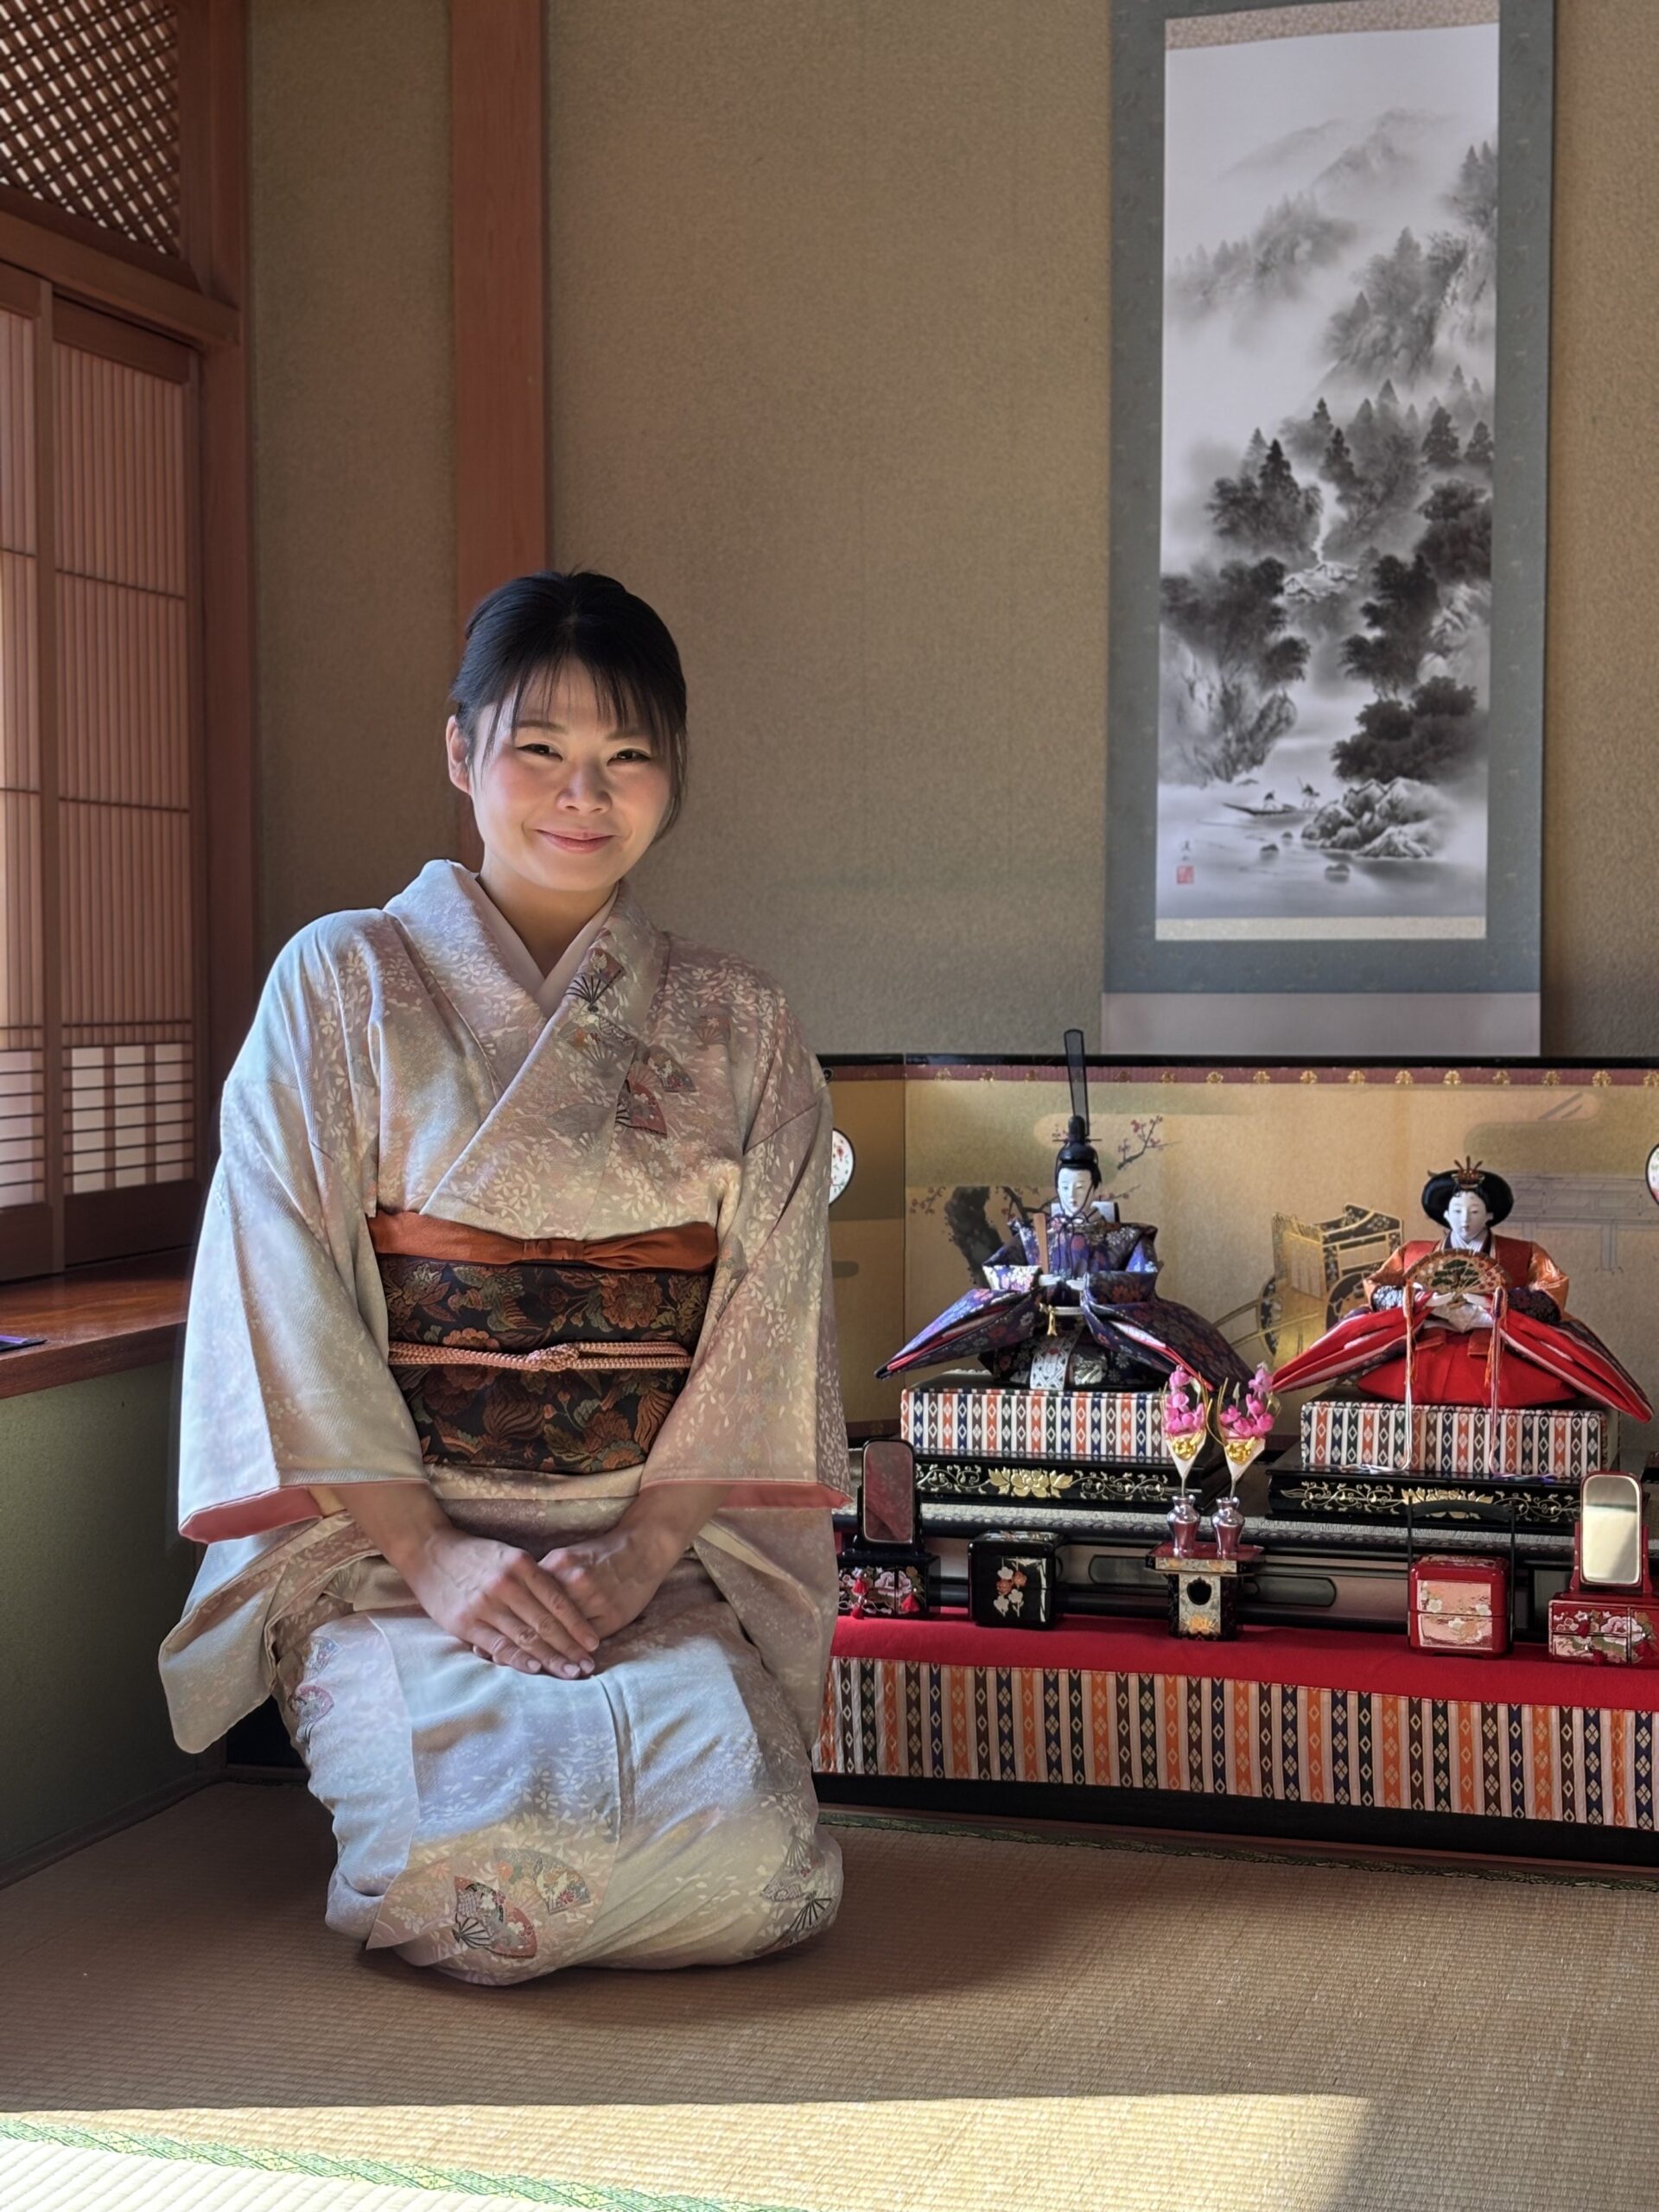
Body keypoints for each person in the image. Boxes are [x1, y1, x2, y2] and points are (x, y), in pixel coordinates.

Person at [159, 571, 849, 1983]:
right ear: (461, 751)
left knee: (768, 1877)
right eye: (540, 748)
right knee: (479, 1885)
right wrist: (436, 1552)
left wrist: (644, 1554)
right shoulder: (338, 983)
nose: (581, 793)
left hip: (645, 1559)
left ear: (670, 777)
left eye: (627, 756)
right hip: (391, 1556)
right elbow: (279, 1285)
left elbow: (767, 1323)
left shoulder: (741, 1022)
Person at [1270, 1160, 1651, 1419]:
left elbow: (1552, 1292)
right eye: (1456, 1211)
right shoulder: (1415, 1253)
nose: (1464, 1219)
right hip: (1429, 1342)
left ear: (1490, 1214)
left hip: (1499, 1347)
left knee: (1531, 1379)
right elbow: (1376, 1288)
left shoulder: (1522, 1254)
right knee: (1391, 1365)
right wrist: (1419, 1301)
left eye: (1473, 1211)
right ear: (1443, 1214)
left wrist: (1498, 1303)